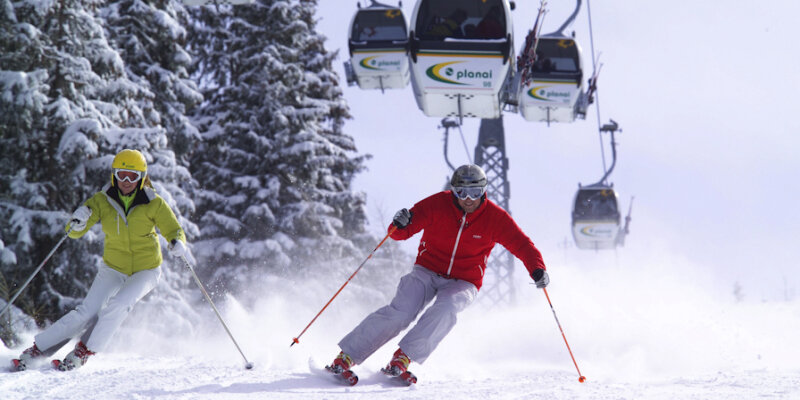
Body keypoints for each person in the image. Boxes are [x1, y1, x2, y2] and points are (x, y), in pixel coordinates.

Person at [327, 164, 549, 383]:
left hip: (464, 281)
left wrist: (537, 269)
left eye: (475, 192)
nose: (468, 199)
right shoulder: (437, 204)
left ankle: (403, 358)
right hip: (427, 270)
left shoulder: (495, 218)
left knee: (447, 310)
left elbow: (522, 245)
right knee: (401, 312)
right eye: (462, 192)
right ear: (453, 190)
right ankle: (346, 356)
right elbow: (399, 234)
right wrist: (400, 224)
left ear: (484, 192)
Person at [13, 149, 187, 371]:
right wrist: (77, 221)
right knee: (87, 311)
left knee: (120, 304)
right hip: (114, 267)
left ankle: (84, 351)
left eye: (132, 176)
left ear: (141, 178)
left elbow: (174, 230)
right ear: (114, 175)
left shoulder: (154, 203)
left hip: (146, 270)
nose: (126, 181)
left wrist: (177, 242)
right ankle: (38, 350)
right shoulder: (102, 201)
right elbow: (74, 231)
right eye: (121, 175)